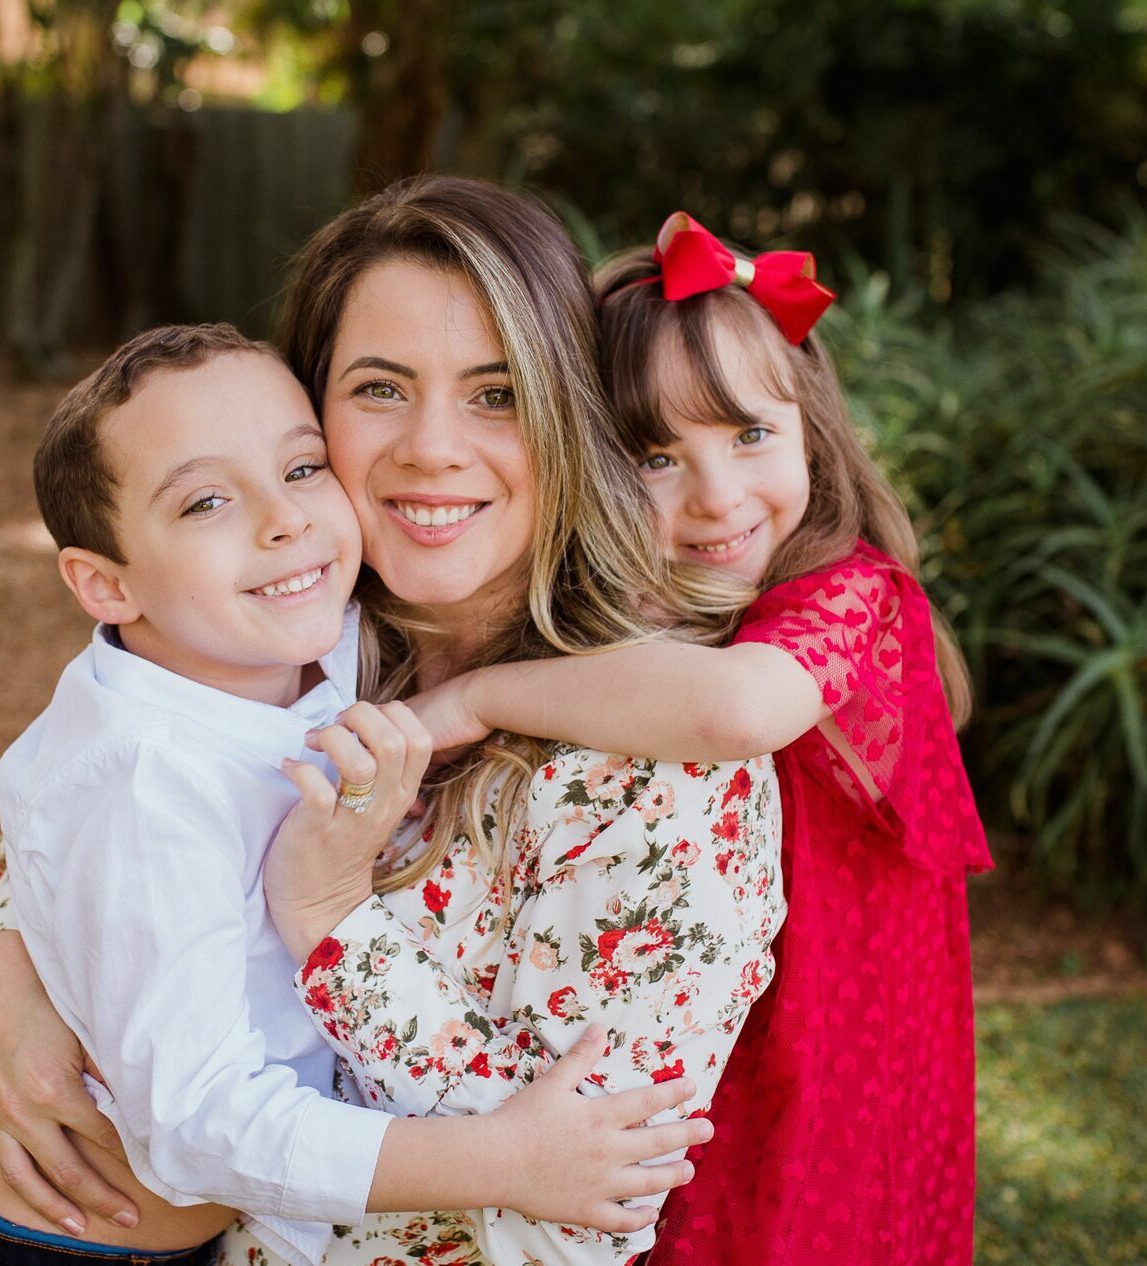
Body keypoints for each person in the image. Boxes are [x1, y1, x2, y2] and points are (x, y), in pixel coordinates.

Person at [0, 179, 785, 1266]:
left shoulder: (661, 771)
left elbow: (568, 1226)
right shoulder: (299, 631)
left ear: (568, 413)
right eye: (380, 388)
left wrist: (333, 922)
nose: (433, 448)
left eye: (497, 394)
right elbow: (78, 825)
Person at [406, 212, 993, 1265]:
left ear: (810, 425)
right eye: (656, 456)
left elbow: (735, 712)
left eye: (751, 437)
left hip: (840, 1037)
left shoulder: (853, 592)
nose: (718, 496)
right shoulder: (658, 615)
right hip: (712, 1025)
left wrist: (483, 696)